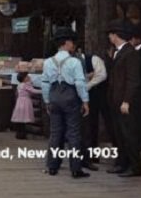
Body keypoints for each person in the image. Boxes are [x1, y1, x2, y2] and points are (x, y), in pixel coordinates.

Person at [40, 28, 90, 178]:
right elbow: (80, 83)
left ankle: (52, 166)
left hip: (54, 97)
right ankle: (75, 169)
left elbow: (44, 83)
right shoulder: (74, 62)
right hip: (70, 97)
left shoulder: (48, 62)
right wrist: (85, 100)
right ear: (67, 43)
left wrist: (47, 100)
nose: (73, 45)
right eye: (72, 42)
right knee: (73, 133)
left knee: (55, 133)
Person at [105, 19, 141, 177]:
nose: (109, 37)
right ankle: (121, 163)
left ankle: (135, 168)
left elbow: (133, 80)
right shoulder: (117, 52)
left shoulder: (130, 52)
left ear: (116, 35)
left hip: (125, 102)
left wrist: (127, 100)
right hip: (115, 100)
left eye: (110, 34)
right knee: (119, 134)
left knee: (128, 134)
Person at [76, 45, 107, 168]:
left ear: (79, 51)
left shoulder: (94, 59)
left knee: (92, 126)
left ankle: (92, 156)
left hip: (94, 97)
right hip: (78, 97)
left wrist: (88, 85)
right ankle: (82, 156)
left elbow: (102, 75)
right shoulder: (72, 62)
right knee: (80, 128)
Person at [11, 72, 41, 139]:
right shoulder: (26, 85)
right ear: (24, 79)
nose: (29, 77)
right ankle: (22, 134)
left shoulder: (19, 85)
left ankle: (19, 134)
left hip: (19, 101)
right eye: (27, 76)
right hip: (25, 102)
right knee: (24, 117)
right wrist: (43, 91)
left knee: (20, 118)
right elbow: (33, 91)